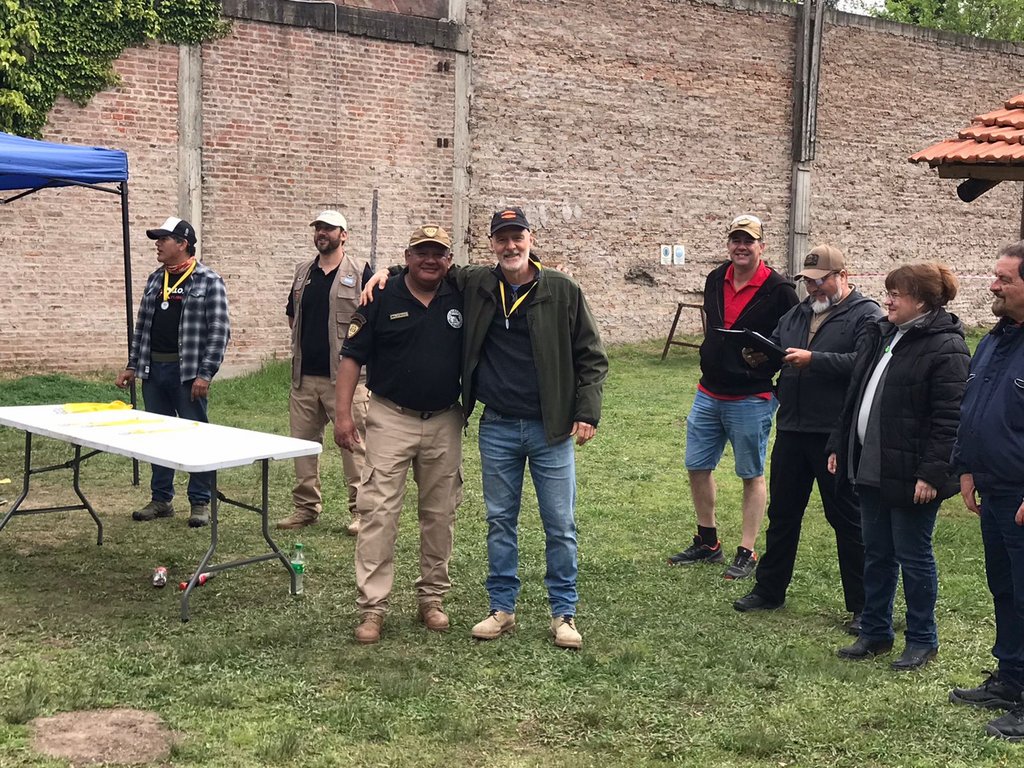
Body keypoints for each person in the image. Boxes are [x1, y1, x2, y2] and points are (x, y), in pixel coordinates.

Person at [461, 207, 608, 650]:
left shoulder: (561, 289)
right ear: (491, 244)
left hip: (552, 430)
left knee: (560, 524)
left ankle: (563, 614)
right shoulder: (479, 283)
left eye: (517, 236)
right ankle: (501, 609)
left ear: (530, 238)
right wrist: (383, 274)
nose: (510, 246)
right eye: (501, 238)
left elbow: (592, 356)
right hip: (497, 426)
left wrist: (587, 411)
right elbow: (432, 268)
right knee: (499, 521)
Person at [827, 262, 968, 670]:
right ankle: (875, 631)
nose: (887, 301)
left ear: (921, 302)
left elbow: (950, 419)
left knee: (913, 555)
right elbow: (856, 394)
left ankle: (922, 639)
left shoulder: (946, 347)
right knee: (876, 552)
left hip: (912, 473)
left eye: (896, 295)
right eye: (888, 293)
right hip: (872, 464)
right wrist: (840, 444)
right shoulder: (885, 334)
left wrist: (931, 474)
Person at [734, 245, 881, 631]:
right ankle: (769, 590)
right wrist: (759, 357)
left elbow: (865, 365)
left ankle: (865, 606)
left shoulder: (867, 315)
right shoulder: (798, 313)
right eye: (808, 282)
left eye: (820, 281)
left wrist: (814, 360)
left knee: (846, 519)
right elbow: (778, 348)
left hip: (835, 433)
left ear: (843, 276)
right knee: (783, 513)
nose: (813, 288)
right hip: (793, 428)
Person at [334, 225, 463, 645]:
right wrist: (342, 416)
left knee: (440, 514)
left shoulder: (460, 294)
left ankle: (432, 598)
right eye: (421, 252)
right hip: (391, 417)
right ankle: (373, 607)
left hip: (445, 420)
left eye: (438, 253)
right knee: (378, 513)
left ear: (449, 260)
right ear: (407, 257)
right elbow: (351, 357)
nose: (430, 260)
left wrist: (385, 268)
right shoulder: (380, 295)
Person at [667, 214, 799, 579]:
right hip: (709, 391)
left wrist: (769, 359)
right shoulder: (715, 278)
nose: (741, 247)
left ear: (761, 247)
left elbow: (793, 338)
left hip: (750, 396)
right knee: (697, 466)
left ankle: (747, 550)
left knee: (750, 473)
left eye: (748, 241)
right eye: (736, 240)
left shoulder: (780, 289)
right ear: (728, 245)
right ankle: (708, 541)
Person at [949, 242, 1024, 740]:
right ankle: (1012, 681)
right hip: (995, 488)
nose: (993, 286)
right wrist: (968, 467)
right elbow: (973, 406)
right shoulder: (996, 340)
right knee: (1006, 590)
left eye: (1005, 279)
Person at [115, 216, 231, 528]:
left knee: (196, 436)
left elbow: (219, 331)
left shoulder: (209, 280)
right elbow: (142, 327)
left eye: (163, 239)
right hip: (154, 371)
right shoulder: (156, 279)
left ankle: (200, 501)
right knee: (157, 435)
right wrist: (132, 365)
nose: (158, 244)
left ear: (182, 244)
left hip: (188, 373)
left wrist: (205, 374)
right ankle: (161, 499)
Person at [277, 210, 372, 535]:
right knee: (303, 447)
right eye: (318, 228)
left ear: (343, 235)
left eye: (329, 228)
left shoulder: (360, 271)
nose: (322, 233)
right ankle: (306, 508)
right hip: (304, 378)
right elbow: (293, 316)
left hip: (346, 380)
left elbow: (371, 321)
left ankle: (362, 511)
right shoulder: (304, 272)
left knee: (353, 445)